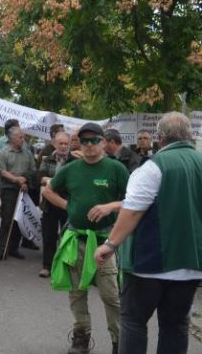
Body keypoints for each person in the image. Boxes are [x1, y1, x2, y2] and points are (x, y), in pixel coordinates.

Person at [94, 112, 202, 354]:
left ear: (160, 138)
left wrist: (110, 244)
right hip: (190, 264)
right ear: (189, 136)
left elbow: (132, 210)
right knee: (175, 326)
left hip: (149, 263)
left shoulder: (153, 166)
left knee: (133, 322)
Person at [42, 122, 129, 354]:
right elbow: (48, 190)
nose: (89, 145)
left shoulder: (116, 169)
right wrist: (67, 206)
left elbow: (134, 201)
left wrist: (110, 206)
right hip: (76, 240)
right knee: (77, 294)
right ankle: (81, 338)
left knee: (111, 296)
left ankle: (119, 342)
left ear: (103, 142)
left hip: (104, 243)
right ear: (79, 142)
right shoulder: (71, 169)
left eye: (94, 140)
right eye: (85, 141)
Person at [0, 127, 36, 261]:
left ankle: (14, 248)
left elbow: (33, 170)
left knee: (19, 220)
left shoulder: (27, 153)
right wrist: (16, 179)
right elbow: (1, 171)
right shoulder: (3, 153)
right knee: (7, 219)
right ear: (11, 138)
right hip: (9, 189)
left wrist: (25, 180)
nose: (23, 139)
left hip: (24, 189)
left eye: (23, 136)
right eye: (20, 137)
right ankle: (1, 249)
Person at [37, 131, 74, 278]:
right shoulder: (48, 159)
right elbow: (40, 177)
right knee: (49, 235)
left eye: (66, 143)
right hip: (49, 203)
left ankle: (66, 266)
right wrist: (52, 181)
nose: (64, 146)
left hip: (68, 202)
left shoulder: (75, 160)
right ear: (55, 144)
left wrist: (51, 181)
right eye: (61, 143)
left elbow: (74, 181)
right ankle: (47, 265)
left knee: (68, 236)